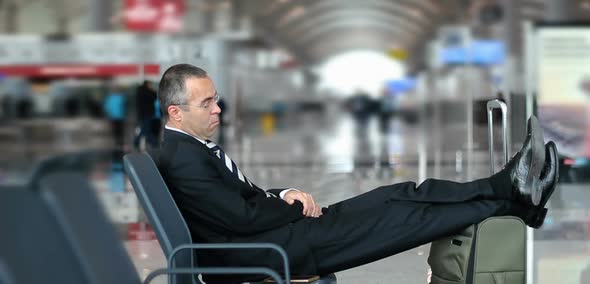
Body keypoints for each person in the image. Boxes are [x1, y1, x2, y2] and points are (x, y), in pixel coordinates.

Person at [156, 64, 559, 284]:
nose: (217, 109)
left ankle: (510, 189)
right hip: (277, 251)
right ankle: (515, 195)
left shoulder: (188, 148)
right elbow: (241, 218)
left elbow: (238, 204)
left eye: (216, 99)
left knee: (398, 193)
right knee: (404, 218)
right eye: (207, 102)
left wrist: (285, 191)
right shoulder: (184, 158)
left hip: (279, 236)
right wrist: (289, 205)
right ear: (177, 112)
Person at [134, 80, 158, 150]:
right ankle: (153, 142)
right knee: (146, 128)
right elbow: (154, 97)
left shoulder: (140, 92)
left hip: (143, 113)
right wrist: (153, 91)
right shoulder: (147, 92)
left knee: (144, 128)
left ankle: (137, 142)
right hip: (147, 113)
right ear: (147, 85)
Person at [103, 84, 126, 149]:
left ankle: (117, 142)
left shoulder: (109, 98)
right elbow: (124, 106)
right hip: (120, 116)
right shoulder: (122, 97)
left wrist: (108, 114)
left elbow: (106, 107)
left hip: (113, 116)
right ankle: (120, 142)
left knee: (116, 129)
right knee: (120, 129)